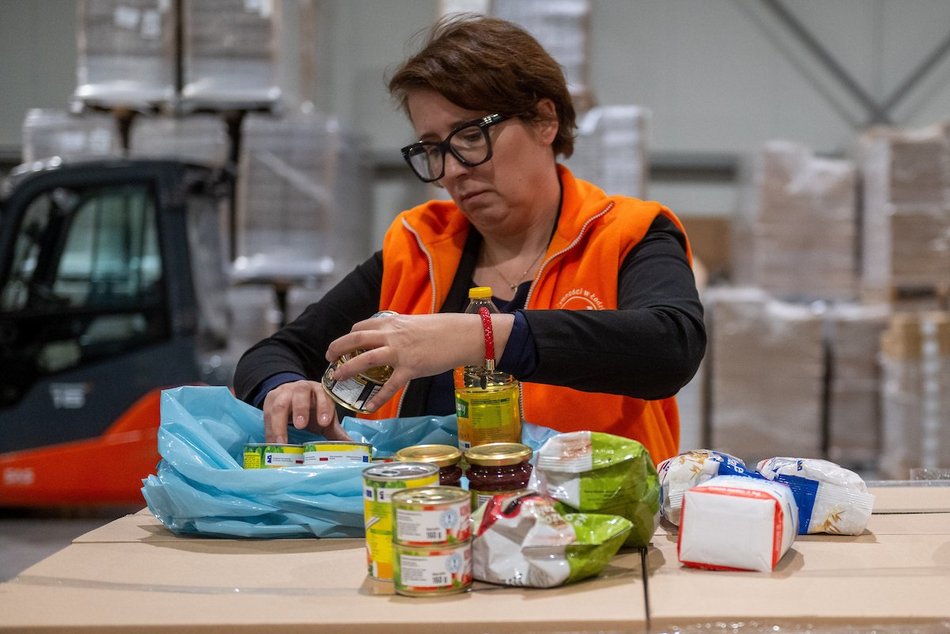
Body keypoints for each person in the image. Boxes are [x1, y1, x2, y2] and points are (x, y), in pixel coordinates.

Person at [233, 14, 706, 465]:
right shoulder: (419, 247)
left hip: (593, 528)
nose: (453, 170)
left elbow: (670, 347)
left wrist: (479, 336)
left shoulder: (627, 233)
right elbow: (274, 354)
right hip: (426, 526)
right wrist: (286, 387)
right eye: (433, 149)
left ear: (545, 120)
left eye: (470, 136)